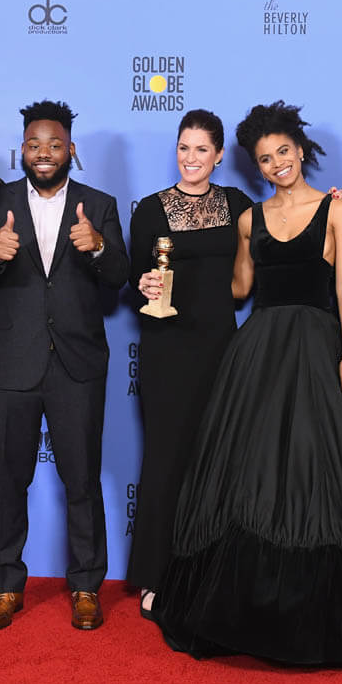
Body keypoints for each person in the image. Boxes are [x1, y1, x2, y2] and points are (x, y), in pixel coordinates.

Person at [154, 101, 342, 667]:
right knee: (251, 472)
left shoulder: (337, 209)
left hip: (319, 348)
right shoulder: (248, 219)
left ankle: (316, 603)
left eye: (283, 151)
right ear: (254, 166)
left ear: (301, 151)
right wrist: (170, 274)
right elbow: (238, 289)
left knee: (317, 466)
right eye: (264, 158)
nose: (277, 163)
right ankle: (243, 606)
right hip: (257, 353)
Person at [0, 100, 129, 632]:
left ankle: (85, 587)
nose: (44, 153)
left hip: (78, 364)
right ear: (22, 150)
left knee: (82, 482)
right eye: (34, 145)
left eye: (54, 144)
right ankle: (6, 586)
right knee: (8, 481)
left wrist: (98, 247)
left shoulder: (99, 205)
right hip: (11, 365)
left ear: (70, 149)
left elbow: (119, 275)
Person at [126, 109, 252, 618]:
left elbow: (279, 238)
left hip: (222, 347)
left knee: (219, 461)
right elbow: (133, 279)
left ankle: (213, 572)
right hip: (167, 348)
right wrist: (142, 283)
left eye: (202, 149)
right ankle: (155, 575)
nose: (191, 157)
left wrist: (333, 204)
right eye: (184, 147)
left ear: (218, 155)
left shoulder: (239, 205)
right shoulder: (150, 209)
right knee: (165, 459)